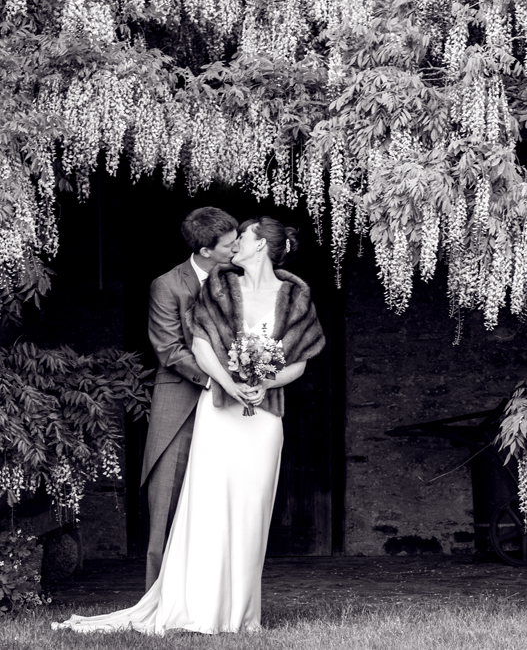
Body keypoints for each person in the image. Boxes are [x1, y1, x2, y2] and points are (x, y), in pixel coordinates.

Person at [54, 216, 325, 635]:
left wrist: (264, 380)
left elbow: (301, 360)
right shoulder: (218, 287)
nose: (236, 243)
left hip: (265, 416)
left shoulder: (296, 297)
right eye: (232, 239)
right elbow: (197, 345)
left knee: (252, 509)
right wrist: (230, 384)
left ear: (260, 247)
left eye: (244, 237)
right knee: (208, 505)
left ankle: (240, 615)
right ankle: (197, 607)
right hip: (218, 409)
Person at [142, 206, 239, 591]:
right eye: (229, 246)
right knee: (165, 498)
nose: (236, 250)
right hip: (180, 399)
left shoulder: (239, 281)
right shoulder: (167, 285)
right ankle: (157, 599)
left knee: (221, 501)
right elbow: (168, 348)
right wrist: (217, 379)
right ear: (204, 250)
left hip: (231, 401)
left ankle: (212, 596)